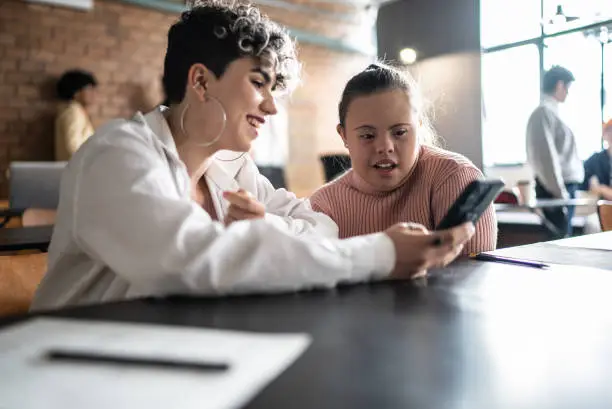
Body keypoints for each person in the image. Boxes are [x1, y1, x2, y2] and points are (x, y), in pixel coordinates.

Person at [31, 1, 473, 311]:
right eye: (258, 83)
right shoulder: (117, 153)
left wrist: (266, 225)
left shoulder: (230, 167)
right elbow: (188, 261)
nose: (271, 106)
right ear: (201, 82)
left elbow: (322, 226)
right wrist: (379, 255)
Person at [309, 63, 496, 256]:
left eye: (399, 132)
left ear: (419, 127)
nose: (384, 147)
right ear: (344, 136)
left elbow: (472, 281)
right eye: (367, 136)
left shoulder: (456, 178)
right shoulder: (323, 206)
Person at [526, 65, 583, 238]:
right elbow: (546, 159)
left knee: (564, 241)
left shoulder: (552, 113)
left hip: (563, 190)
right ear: (559, 85)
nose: (567, 93)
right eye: (567, 88)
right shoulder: (543, 113)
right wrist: (561, 194)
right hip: (556, 191)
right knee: (559, 244)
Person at [55, 69, 98, 161]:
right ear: (76, 92)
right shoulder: (73, 112)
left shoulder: (75, 111)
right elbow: (72, 148)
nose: (94, 94)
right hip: (76, 171)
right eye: (89, 89)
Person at [582, 119, 612, 200]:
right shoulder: (595, 160)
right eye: (609, 131)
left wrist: (602, 189)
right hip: (601, 208)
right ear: (604, 135)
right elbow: (585, 182)